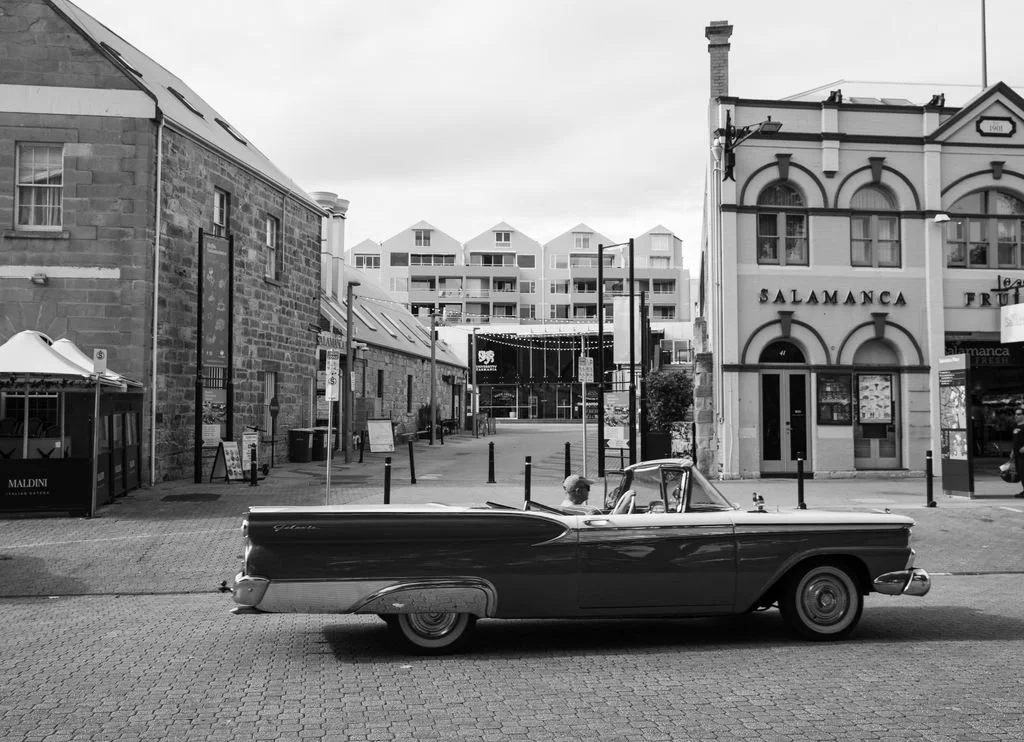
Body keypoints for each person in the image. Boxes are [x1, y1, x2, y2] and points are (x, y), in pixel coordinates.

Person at [1012, 407, 1024, 499]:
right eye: (1016, 414)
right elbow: (1015, 441)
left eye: (1019, 414)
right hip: (1017, 455)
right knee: (1020, 472)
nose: (1016, 416)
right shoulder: (1016, 427)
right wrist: (1012, 451)